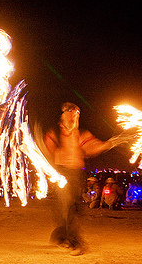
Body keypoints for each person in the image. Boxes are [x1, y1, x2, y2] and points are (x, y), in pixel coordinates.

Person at [44, 102, 133, 255]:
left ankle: (68, 239)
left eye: (77, 114)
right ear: (64, 114)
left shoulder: (81, 134)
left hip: (75, 174)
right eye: (72, 113)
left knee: (73, 207)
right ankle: (65, 238)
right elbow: (47, 152)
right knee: (63, 206)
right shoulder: (54, 133)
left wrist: (111, 143)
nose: (75, 116)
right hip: (60, 174)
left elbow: (92, 147)